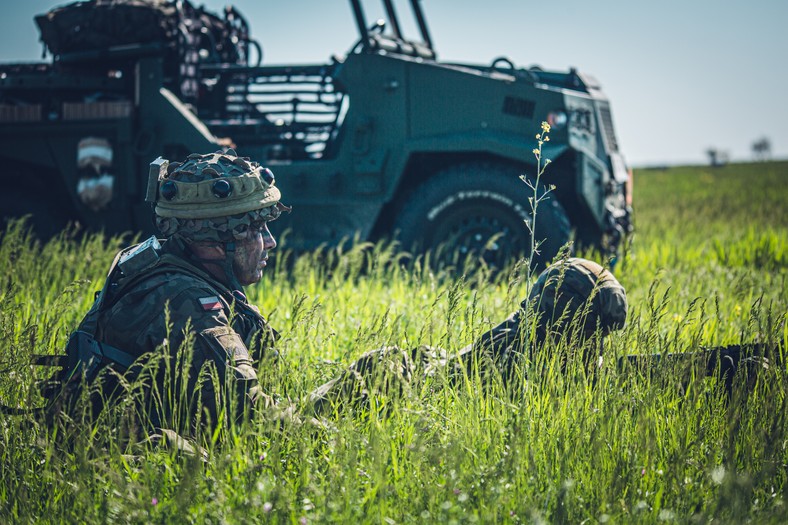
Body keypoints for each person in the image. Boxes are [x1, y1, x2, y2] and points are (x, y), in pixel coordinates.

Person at [41, 150, 628, 437]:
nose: (269, 242)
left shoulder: (165, 264)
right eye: (255, 229)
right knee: (394, 373)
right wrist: (369, 435)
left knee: (394, 365)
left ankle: (544, 353)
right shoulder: (192, 310)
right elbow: (265, 435)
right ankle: (553, 338)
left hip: (159, 428)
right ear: (214, 239)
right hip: (181, 448)